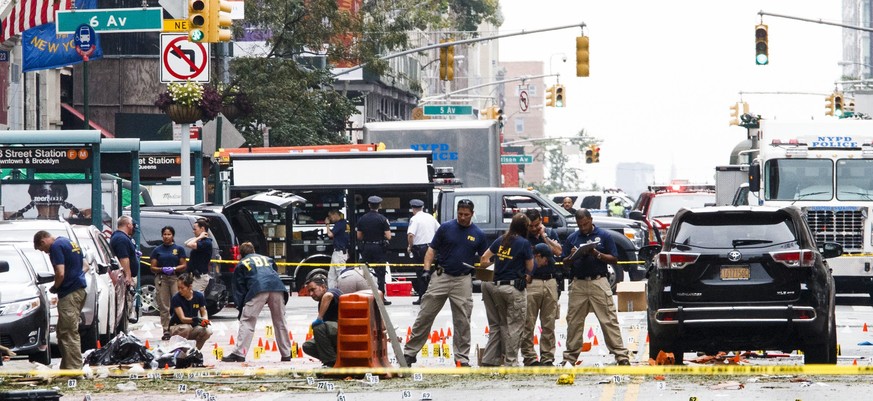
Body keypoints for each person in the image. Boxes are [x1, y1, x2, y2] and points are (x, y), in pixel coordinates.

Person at [402, 199, 488, 367]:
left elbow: (485, 257)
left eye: (466, 215)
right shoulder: (446, 228)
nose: (463, 217)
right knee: (425, 315)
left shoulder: (478, 234)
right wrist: (427, 270)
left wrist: (487, 278)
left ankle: (461, 358)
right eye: (460, 214)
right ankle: (409, 353)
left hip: (462, 280)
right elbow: (431, 250)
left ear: (472, 214)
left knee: (463, 320)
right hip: (441, 276)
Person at [559, 208, 631, 367]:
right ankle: (569, 358)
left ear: (591, 220)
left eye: (585, 223)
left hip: (599, 281)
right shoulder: (572, 238)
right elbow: (564, 262)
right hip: (578, 283)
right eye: (580, 225)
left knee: (608, 319)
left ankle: (621, 356)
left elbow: (614, 259)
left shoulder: (604, 236)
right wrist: (571, 256)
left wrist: (596, 253)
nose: (583, 227)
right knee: (574, 321)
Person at [222, 242, 292, 362]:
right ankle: (286, 353)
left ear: (241, 254)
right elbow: (273, 272)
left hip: (258, 288)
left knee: (247, 321)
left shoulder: (242, 264)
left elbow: (239, 289)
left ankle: (240, 353)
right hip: (277, 287)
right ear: (253, 250)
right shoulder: (268, 259)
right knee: (280, 320)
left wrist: (241, 308)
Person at [478, 213, 533, 367]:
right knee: (515, 326)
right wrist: (527, 275)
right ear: (524, 228)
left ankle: (495, 359)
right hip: (514, 288)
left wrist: (493, 273)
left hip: (497, 287)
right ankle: (511, 361)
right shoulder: (524, 243)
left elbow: (484, 258)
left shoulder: (501, 240)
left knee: (502, 324)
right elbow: (530, 267)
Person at [34, 230, 87, 370]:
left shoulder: (56, 246)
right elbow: (85, 266)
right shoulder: (69, 242)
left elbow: (60, 272)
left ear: (43, 241)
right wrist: (76, 276)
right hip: (79, 290)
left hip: (69, 293)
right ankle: (66, 367)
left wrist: (55, 287)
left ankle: (74, 369)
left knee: (68, 332)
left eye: (42, 249)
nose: (45, 252)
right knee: (63, 331)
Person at [520, 209, 562, 366]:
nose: (534, 228)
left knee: (549, 323)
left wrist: (544, 236)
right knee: (528, 323)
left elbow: (558, 252)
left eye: (537, 224)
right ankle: (529, 357)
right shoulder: (523, 238)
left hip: (550, 282)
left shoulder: (550, 233)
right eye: (531, 226)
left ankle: (547, 357)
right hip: (532, 283)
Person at [151, 225, 188, 341]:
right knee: (164, 305)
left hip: (175, 278)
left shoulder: (179, 249)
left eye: (169, 234)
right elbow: (153, 267)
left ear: (173, 236)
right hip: (162, 278)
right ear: (162, 236)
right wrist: (162, 269)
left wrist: (174, 269)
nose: (166, 237)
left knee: (178, 302)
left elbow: (184, 265)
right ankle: (166, 329)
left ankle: (178, 327)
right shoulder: (157, 250)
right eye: (165, 235)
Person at [356, 195, 392, 305]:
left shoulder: (362, 219)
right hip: (379, 248)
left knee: (364, 272)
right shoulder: (382, 219)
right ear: (379, 206)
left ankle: (364, 296)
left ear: (369, 205)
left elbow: (359, 236)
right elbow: (388, 236)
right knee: (380, 273)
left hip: (367, 247)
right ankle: (381, 298)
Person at [301, 275, 342, 368]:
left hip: (343, 330)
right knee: (308, 346)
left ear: (323, 287)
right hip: (333, 335)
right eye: (309, 291)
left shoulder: (332, 292)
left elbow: (328, 296)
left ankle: (330, 362)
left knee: (318, 328)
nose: (311, 294)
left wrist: (319, 318)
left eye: (313, 290)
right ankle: (336, 359)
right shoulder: (321, 302)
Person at [406, 198, 440, 305]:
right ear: (422, 207)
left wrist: (410, 246)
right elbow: (439, 230)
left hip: (419, 249)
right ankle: (432, 296)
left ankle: (422, 297)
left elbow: (411, 234)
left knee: (421, 272)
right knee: (430, 272)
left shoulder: (414, 219)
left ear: (413, 209)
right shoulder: (430, 217)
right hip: (431, 248)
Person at [169, 273, 212, 349]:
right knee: (186, 328)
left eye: (182, 288)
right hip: (178, 327)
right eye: (178, 288)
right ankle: (181, 350)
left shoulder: (199, 296)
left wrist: (205, 320)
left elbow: (204, 312)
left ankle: (195, 351)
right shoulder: (176, 298)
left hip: (192, 326)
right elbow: (183, 319)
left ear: (190, 287)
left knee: (207, 331)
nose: (180, 290)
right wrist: (196, 320)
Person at [109, 215, 136, 325]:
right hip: (123, 277)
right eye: (132, 224)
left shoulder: (120, 237)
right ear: (128, 225)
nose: (133, 227)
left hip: (122, 276)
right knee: (125, 305)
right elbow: (124, 259)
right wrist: (128, 276)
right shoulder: (121, 239)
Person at [184, 219, 213, 293]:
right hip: (194, 275)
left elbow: (190, 244)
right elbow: (186, 243)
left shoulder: (206, 243)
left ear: (202, 229)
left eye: (195, 229)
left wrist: (200, 237)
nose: (193, 231)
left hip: (200, 277)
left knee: (196, 298)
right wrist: (199, 237)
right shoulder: (200, 241)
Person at [325, 209, 350, 288]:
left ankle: (344, 291)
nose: (330, 218)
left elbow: (330, 235)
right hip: (340, 252)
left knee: (341, 274)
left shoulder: (339, 224)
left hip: (339, 252)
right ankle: (331, 291)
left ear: (335, 214)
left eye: (330, 216)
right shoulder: (345, 223)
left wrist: (327, 225)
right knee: (332, 274)